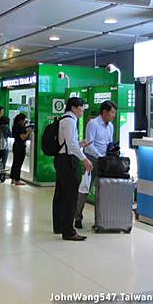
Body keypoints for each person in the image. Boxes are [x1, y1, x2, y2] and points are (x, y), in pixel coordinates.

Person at [53, 97, 93, 241]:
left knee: (60, 194)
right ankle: (68, 231)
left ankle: (59, 226)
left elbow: (70, 144)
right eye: (81, 107)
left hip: (62, 159)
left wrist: (80, 144)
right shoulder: (70, 121)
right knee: (70, 196)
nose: (83, 110)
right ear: (74, 108)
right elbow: (71, 146)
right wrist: (85, 159)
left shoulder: (64, 119)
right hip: (67, 162)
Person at [75, 101, 116, 229]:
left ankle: (100, 220)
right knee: (84, 188)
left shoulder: (110, 126)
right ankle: (77, 217)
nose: (113, 115)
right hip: (91, 160)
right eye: (112, 113)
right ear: (104, 112)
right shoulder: (93, 124)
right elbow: (89, 143)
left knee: (103, 191)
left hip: (105, 161)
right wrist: (100, 156)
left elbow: (109, 143)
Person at [10, 114, 31, 185]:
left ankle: (13, 179)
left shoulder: (14, 126)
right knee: (19, 163)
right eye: (24, 120)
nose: (25, 121)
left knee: (15, 162)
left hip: (15, 145)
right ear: (21, 120)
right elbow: (23, 137)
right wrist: (28, 132)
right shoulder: (20, 127)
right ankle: (17, 180)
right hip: (20, 146)